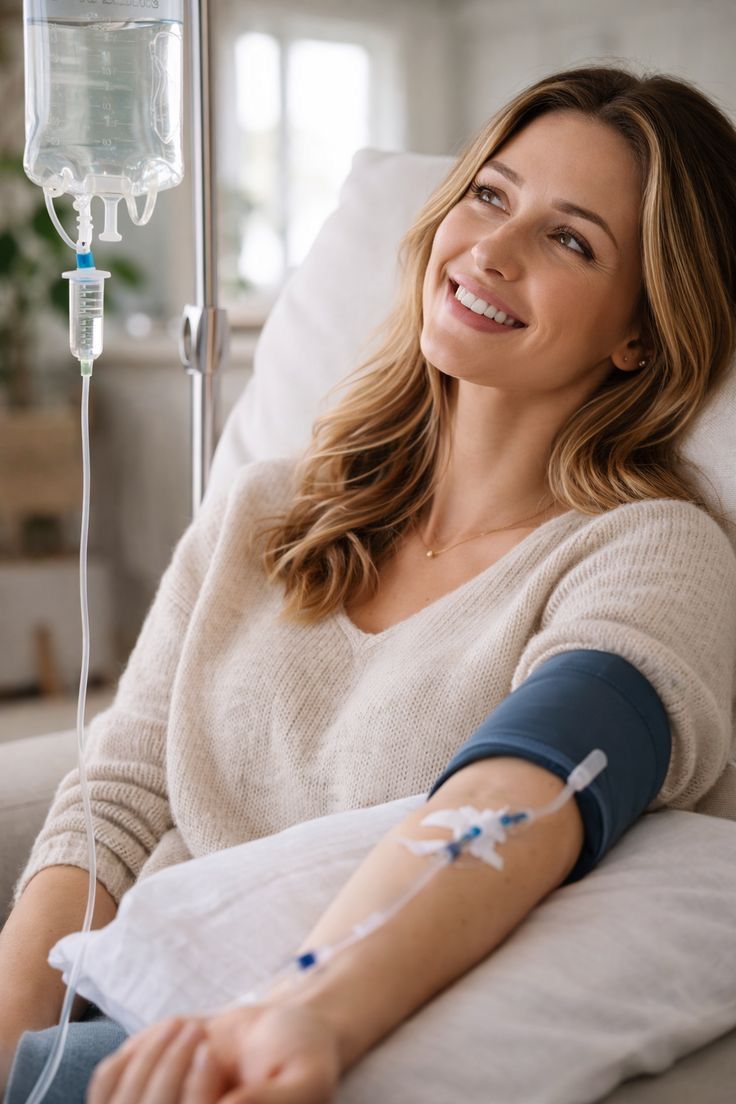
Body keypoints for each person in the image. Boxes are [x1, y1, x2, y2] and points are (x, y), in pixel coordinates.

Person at [3, 62, 736, 1104]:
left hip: (280, 1046)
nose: (490, 250)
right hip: (104, 1018)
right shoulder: (266, 511)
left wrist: (303, 1010)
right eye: (489, 195)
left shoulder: (651, 552)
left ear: (640, 333)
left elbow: (534, 780)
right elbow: (114, 797)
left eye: (568, 239)